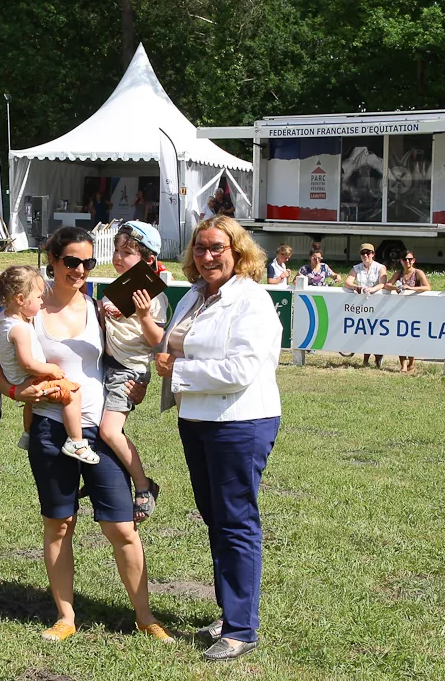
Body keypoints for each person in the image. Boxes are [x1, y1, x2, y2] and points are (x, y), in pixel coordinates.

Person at [0, 226, 171, 645]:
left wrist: (138, 384)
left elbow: (126, 355)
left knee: (122, 527)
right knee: (59, 524)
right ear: (52, 260)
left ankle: (146, 617)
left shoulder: (97, 307)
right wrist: (18, 391)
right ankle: (65, 617)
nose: (81, 270)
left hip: (98, 433)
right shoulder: (25, 312)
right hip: (51, 431)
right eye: (72, 261)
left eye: (88, 262)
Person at [154, 215, 281, 662]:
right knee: (218, 520)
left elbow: (242, 370)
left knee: (236, 522)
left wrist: (179, 371)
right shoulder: (195, 295)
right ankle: (231, 614)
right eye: (201, 248)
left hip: (240, 422)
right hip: (198, 419)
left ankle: (242, 629)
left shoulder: (253, 300)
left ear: (238, 252)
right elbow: (174, 346)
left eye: (217, 249)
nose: (207, 257)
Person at [99, 221, 168, 523]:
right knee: (101, 429)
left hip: (129, 371)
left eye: (127, 252)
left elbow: (158, 341)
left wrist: (143, 316)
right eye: (116, 250)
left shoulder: (153, 297)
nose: (118, 257)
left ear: (147, 259)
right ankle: (106, 475)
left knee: (109, 430)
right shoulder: (113, 291)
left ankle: (144, 485)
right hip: (108, 366)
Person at [0, 265, 96, 465]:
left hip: (18, 379)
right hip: (31, 378)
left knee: (31, 405)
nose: (42, 301)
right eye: (39, 297)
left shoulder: (3, 319)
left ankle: (27, 433)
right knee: (73, 393)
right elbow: (28, 364)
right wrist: (52, 369)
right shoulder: (20, 330)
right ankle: (76, 442)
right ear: (21, 300)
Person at [385, 251, 431, 373]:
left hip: (415, 310)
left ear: (414, 260)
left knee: (412, 337)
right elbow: (387, 285)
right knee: (400, 337)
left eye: (410, 259)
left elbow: (427, 287)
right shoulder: (399, 273)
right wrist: (397, 288)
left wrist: (411, 288)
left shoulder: (418, 273)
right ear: (401, 261)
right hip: (400, 309)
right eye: (405, 259)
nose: (408, 262)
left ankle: (411, 362)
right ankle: (403, 365)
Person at [344, 243, 387, 367]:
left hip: (377, 304)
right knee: (364, 331)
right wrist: (356, 287)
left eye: (368, 253)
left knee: (376, 331)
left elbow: (383, 283)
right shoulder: (356, 268)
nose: (366, 255)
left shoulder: (380, 267)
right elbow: (348, 282)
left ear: (373, 254)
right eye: (363, 253)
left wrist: (373, 289)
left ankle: (378, 357)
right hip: (361, 306)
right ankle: (366, 358)